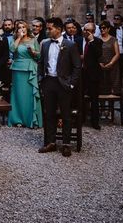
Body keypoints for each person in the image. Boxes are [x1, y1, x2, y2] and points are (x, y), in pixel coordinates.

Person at [37, 17, 81, 157]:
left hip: (64, 84)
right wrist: (41, 79)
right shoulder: (45, 44)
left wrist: (71, 83)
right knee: (49, 113)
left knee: (65, 114)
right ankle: (50, 142)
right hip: (49, 81)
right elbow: (41, 63)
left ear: (59, 29)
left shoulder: (70, 45)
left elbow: (77, 67)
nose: (48, 31)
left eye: (50, 28)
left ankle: (66, 144)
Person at [7, 20, 42, 128]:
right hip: (17, 69)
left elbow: (39, 56)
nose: (22, 29)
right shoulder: (15, 40)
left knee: (29, 95)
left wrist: (32, 52)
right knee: (18, 95)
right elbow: (12, 49)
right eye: (19, 27)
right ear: (17, 30)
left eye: (24, 27)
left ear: (27, 29)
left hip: (30, 69)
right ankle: (17, 119)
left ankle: (31, 119)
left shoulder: (33, 40)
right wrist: (19, 37)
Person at [82, 22, 103, 129]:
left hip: (92, 74)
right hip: (80, 73)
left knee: (94, 99)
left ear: (93, 32)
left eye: (89, 30)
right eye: (85, 29)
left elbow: (98, 54)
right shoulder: (78, 41)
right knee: (79, 97)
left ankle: (95, 122)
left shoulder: (97, 41)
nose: (86, 32)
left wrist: (91, 41)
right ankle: (80, 119)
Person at [98, 20, 120, 95]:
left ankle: (111, 105)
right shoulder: (97, 39)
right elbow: (95, 54)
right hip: (100, 66)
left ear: (108, 29)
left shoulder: (113, 39)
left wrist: (111, 63)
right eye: (101, 28)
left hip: (112, 66)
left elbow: (117, 54)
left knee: (112, 87)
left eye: (104, 28)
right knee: (101, 87)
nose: (102, 29)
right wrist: (99, 63)